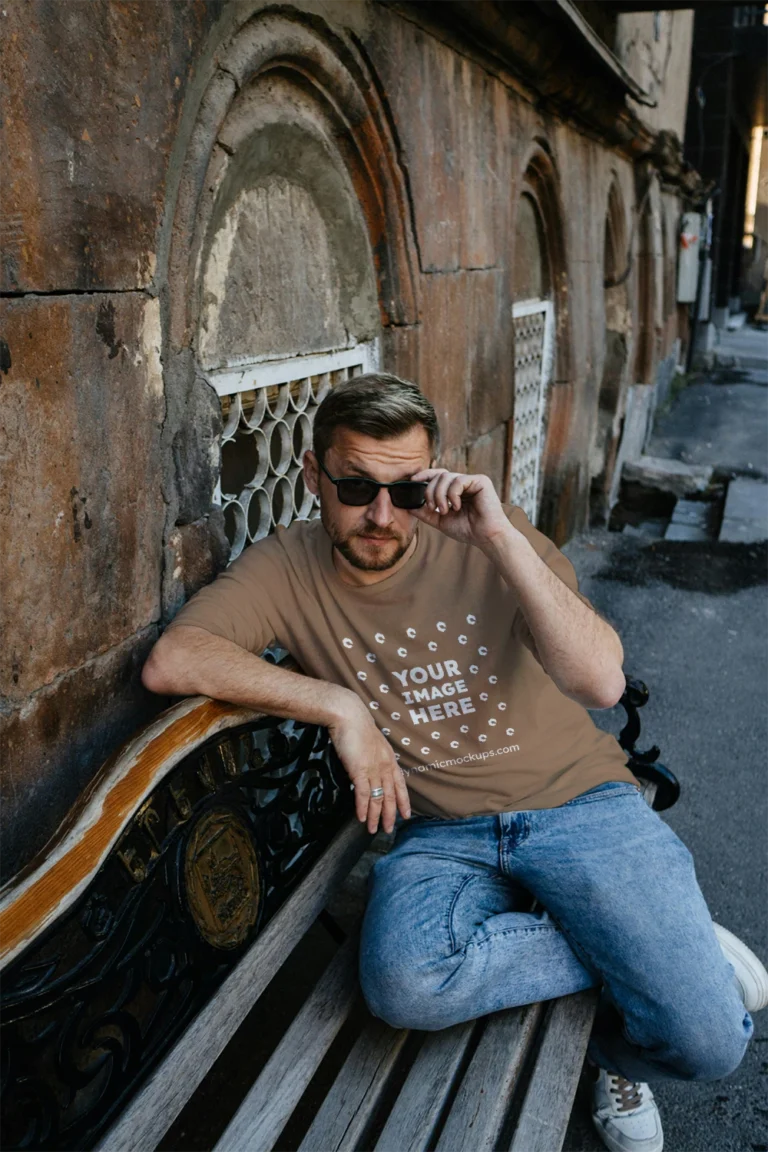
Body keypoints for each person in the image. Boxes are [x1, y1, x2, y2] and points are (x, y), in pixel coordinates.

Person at [142, 373, 767, 1152]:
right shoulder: (286, 568)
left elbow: (600, 680)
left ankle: (615, 1046)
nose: (379, 515)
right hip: (442, 833)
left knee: (712, 1041)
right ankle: (652, 945)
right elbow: (174, 660)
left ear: (433, 476)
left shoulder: (489, 538)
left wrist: (501, 540)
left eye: (404, 492)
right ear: (312, 477)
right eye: (354, 486)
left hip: (581, 801)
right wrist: (342, 707)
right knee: (403, 982)